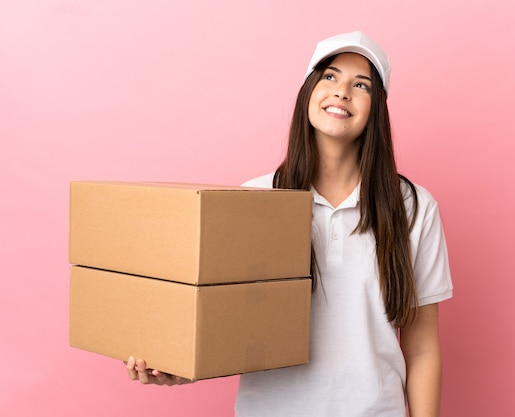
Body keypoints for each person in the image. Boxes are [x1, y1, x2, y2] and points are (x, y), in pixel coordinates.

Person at [126, 31, 453, 417]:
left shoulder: (412, 207)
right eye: (329, 77)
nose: (342, 91)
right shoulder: (253, 201)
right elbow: (228, 327)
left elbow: (422, 348)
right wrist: (179, 367)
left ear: (376, 108)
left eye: (360, 84)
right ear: (308, 92)